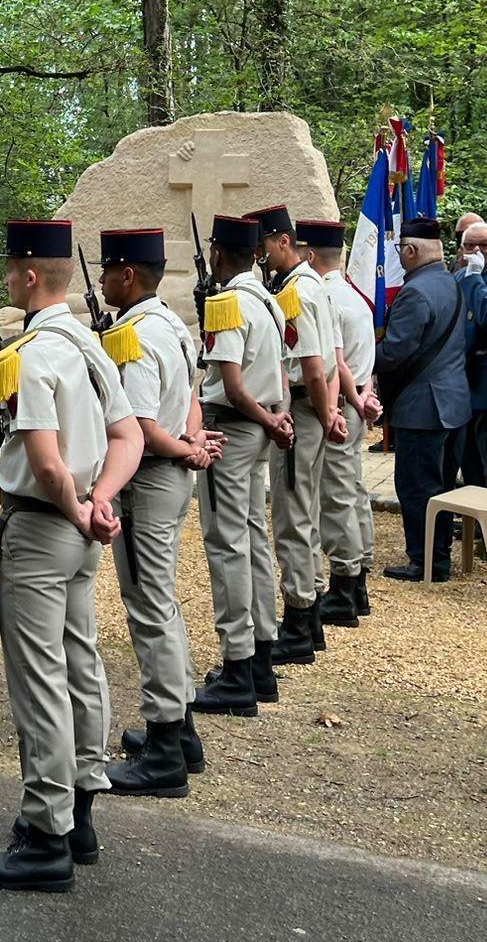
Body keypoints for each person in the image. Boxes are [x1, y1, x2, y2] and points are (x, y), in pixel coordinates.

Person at [0, 219, 141, 893]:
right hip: (78, 526)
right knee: (80, 663)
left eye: (12, 271)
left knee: (40, 677)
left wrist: (76, 504)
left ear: (30, 277)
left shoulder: (36, 350)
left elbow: (42, 458)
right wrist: (101, 501)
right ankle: (81, 810)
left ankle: (45, 831)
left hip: (45, 526)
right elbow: (126, 436)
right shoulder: (90, 345)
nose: (9, 281)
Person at [94, 228, 212, 798]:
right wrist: (191, 438)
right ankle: (181, 727)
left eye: (108, 271)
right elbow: (190, 394)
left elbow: (139, 427)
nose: (101, 280)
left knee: (149, 607)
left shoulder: (134, 337)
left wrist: (186, 447)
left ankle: (166, 745)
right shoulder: (169, 323)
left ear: (129, 276)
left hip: (146, 485)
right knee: (161, 602)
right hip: (169, 480)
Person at [193, 214, 289, 708]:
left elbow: (231, 384)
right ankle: (260, 657)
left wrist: (270, 421)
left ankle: (237, 666)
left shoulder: (228, 302)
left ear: (216, 253)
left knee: (227, 544)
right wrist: (279, 418)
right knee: (252, 539)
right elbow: (283, 375)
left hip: (231, 427)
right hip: (261, 426)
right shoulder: (269, 300)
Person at [247, 205, 343, 662]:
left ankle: (300, 621)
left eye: (264, 244)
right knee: (304, 511)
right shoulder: (311, 284)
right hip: (314, 408)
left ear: (283, 241)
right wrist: (331, 413)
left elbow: (313, 366)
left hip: (302, 411)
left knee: (292, 518)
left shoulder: (296, 293)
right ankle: (314, 611)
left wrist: (325, 416)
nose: (260, 255)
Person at [378, 218, 471, 584]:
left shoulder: (415, 292)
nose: (399, 256)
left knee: (416, 487)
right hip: (453, 402)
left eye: (401, 249)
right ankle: (439, 556)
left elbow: (396, 351)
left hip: (422, 408)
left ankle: (425, 560)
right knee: (442, 486)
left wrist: (356, 358)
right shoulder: (450, 282)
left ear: (412, 250)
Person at [301, 219, 382, 625]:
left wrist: (347, 401)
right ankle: (359, 572)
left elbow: (335, 362)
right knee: (351, 487)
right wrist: (365, 397)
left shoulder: (326, 298)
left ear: (310, 255)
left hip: (338, 404)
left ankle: (345, 583)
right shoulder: (355, 298)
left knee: (335, 496)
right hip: (357, 400)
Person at [449, 221, 487, 488]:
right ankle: (472, 523)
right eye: (470, 245)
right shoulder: (454, 279)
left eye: (485, 245)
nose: (477, 251)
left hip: (483, 384)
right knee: (467, 463)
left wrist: (475, 278)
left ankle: (486, 524)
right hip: (458, 385)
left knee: (485, 457)